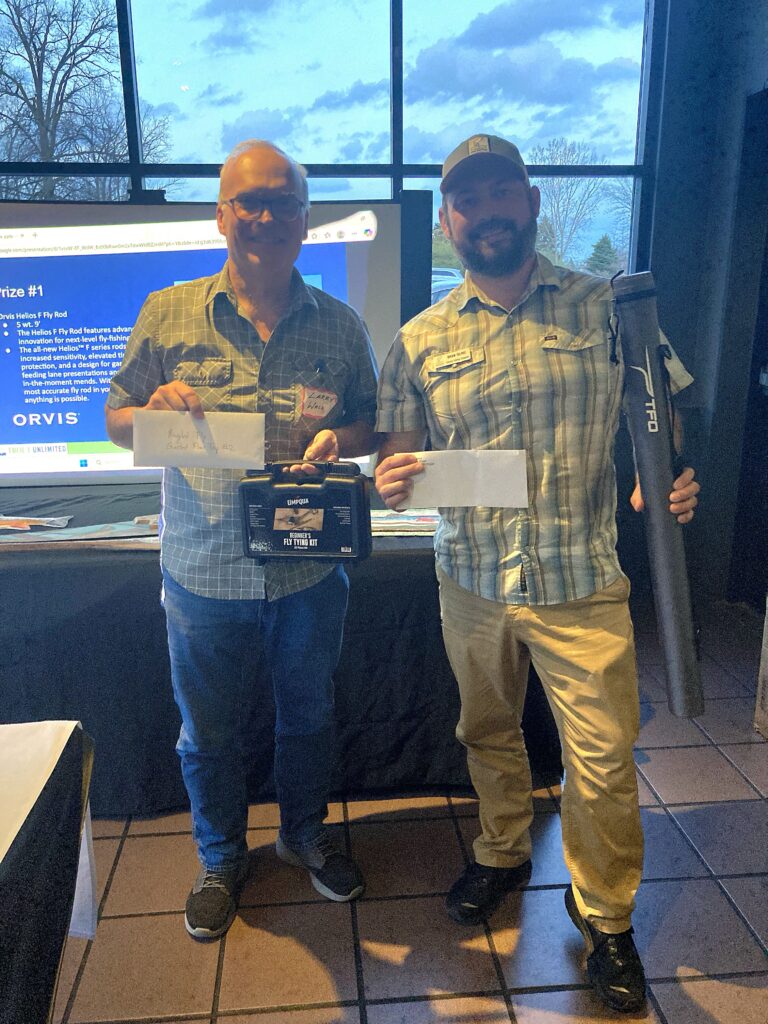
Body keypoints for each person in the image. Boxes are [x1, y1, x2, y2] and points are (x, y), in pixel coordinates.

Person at [374, 134, 700, 1013]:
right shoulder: (419, 339)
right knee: (487, 729)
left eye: (500, 193)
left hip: (580, 578)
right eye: (467, 201)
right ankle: (503, 849)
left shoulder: (610, 309)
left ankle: (606, 913)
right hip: (471, 579)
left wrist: (665, 473)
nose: (486, 212)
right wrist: (393, 476)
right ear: (449, 222)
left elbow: (660, 418)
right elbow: (401, 455)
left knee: (603, 757)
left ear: (530, 201)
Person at [106, 140, 379, 940]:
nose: (265, 217)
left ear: (305, 219)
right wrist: (151, 412)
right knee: (208, 734)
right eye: (249, 202)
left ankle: (302, 837)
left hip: (308, 573)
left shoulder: (339, 325)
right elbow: (115, 420)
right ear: (221, 215)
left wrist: (341, 440)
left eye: (283, 202)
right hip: (203, 572)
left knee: (309, 717)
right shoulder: (167, 312)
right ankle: (222, 858)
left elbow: (368, 421)